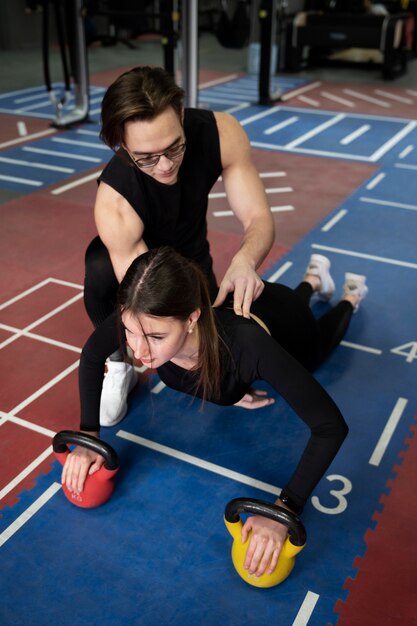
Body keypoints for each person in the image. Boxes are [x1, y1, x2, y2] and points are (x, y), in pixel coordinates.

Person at [62, 247, 368, 578]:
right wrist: (89, 435)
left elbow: (330, 426)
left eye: (155, 337)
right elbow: (92, 355)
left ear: (192, 318)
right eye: (130, 332)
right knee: (289, 301)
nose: (138, 351)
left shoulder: (247, 348)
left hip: (290, 327)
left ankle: (350, 297)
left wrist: (286, 509)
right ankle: (312, 277)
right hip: (252, 309)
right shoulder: (142, 316)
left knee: (319, 345)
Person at [83, 65, 275, 427]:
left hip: (192, 256)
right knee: (98, 266)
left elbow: (258, 218)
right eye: (147, 157)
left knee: (225, 352)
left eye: (174, 147)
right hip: (143, 268)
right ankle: (119, 364)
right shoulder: (114, 200)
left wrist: (246, 260)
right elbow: (147, 305)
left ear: (182, 116)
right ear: (122, 146)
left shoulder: (222, 132)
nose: (166, 165)